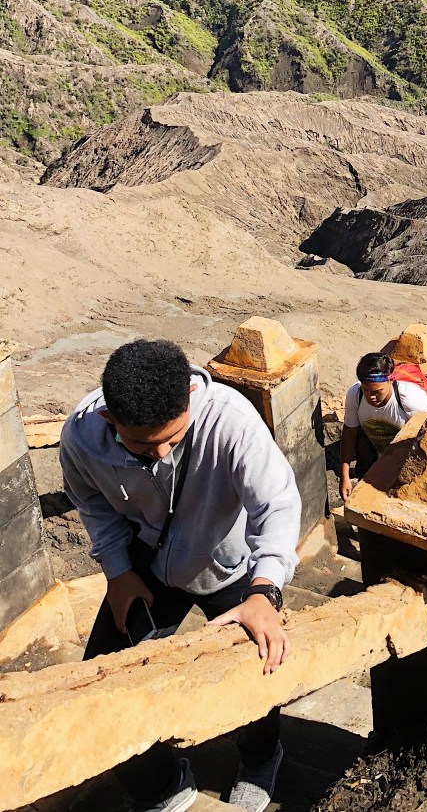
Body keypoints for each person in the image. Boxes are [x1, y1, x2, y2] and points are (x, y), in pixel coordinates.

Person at [60, 340, 300, 812]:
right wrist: (117, 570)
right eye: (146, 445)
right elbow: (90, 501)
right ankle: (165, 785)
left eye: (174, 437)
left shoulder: (231, 420)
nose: (163, 452)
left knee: (260, 663)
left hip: (229, 568)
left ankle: (259, 758)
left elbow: (278, 503)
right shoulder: (81, 438)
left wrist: (265, 590)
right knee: (99, 687)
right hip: (145, 567)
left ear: (190, 396)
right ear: (111, 421)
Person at [339, 352, 427, 501]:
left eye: (377, 392)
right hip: (376, 449)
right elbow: (349, 434)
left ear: (390, 381)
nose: (371, 397)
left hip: (407, 458)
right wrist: (344, 475)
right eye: (366, 390)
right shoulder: (355, 395)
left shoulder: (410, 399)